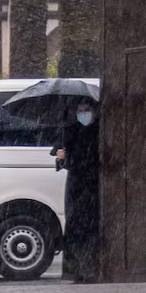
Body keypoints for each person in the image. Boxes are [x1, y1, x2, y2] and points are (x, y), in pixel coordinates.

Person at [54, 100, 101, 282]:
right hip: (76, 185)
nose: (83, 114)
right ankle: (76, 270)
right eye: (80, 111)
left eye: (86, 110)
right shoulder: (71, 131)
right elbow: (63, 160)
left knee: (91, 228)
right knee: (75, 227)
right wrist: (62, 157)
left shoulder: (99, 131)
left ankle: (91, 269)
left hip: (93, 184)